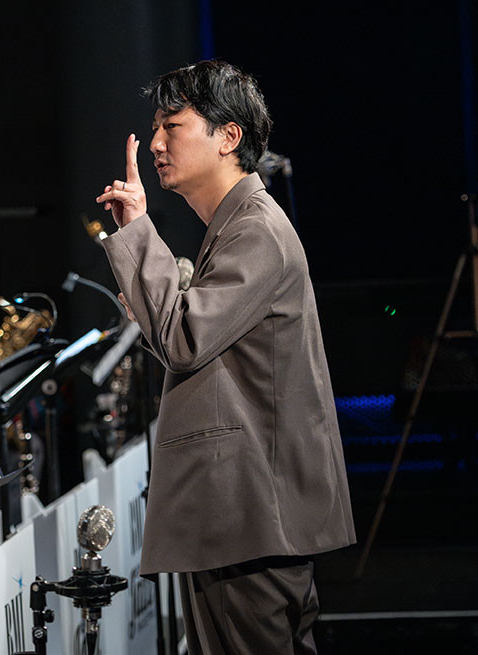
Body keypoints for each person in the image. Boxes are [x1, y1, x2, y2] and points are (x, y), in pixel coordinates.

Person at [96, 60, 356, 654]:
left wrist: (137, 230)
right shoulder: (236, 227)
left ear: (228, 136)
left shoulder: (256, 229)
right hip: (244, 519)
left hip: (251, 517)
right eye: (154, 128)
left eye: (173, 126)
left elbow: (183, 339)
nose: (156, 144)